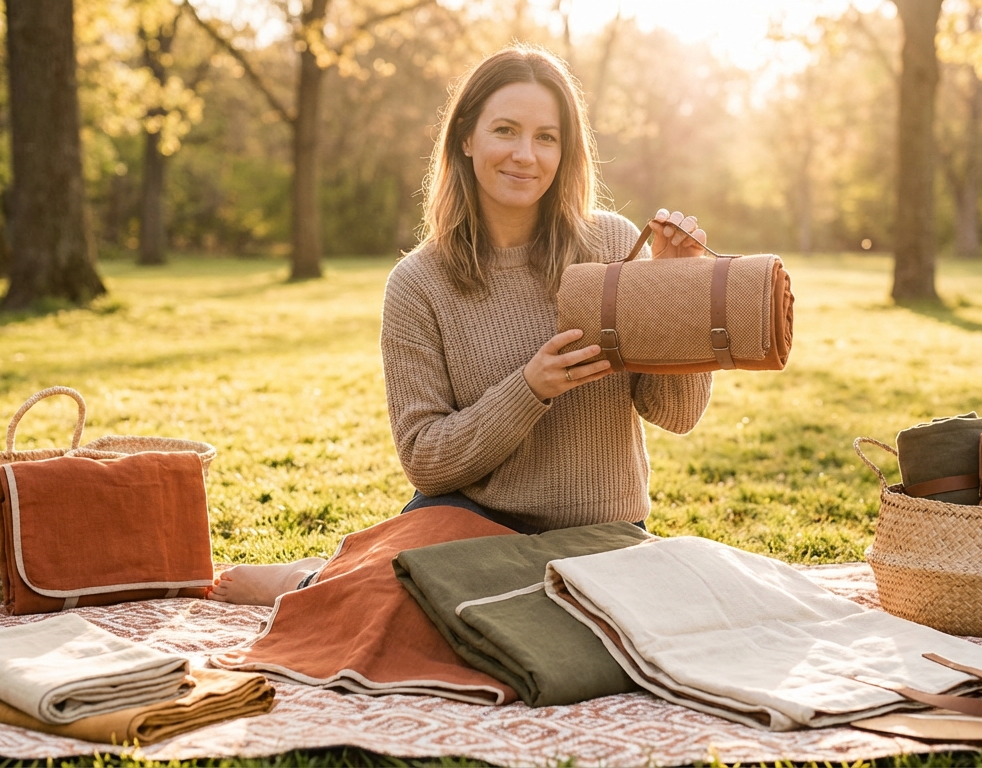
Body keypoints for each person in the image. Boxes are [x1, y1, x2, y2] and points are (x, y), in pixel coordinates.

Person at [211, 44, 711, 606]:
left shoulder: (614, 246)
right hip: (470, 527)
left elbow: (677, 414)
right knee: (399, 616)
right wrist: (530, 388)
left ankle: (347, 570)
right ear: (466, 138)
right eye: (505, 130)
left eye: (547, 137)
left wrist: (678, 296)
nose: (526, 154)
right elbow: (425, 457)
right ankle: (310, 581)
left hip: (600, 537)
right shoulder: (418, 283)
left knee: (588, 630)